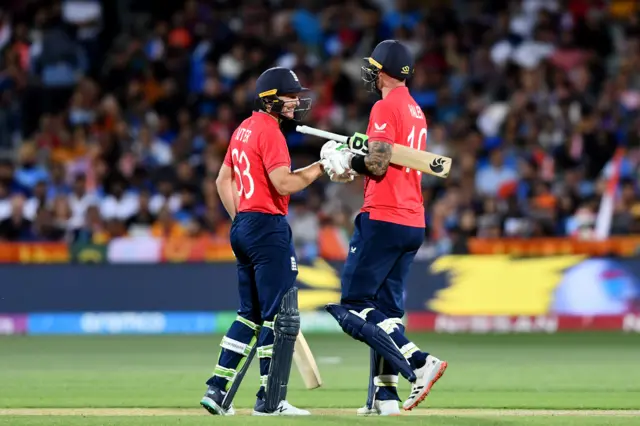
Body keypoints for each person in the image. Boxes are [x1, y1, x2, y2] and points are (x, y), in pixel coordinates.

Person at [320, 40, 448, 415]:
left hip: (384, 215)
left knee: (355, 305)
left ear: (386, 71)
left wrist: (347, 162)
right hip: (412, 219)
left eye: (375, 66)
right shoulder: (415, 109)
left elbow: (377, 164)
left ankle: (419, 361)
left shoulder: (384, 106)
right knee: (388, 313)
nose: (370, 72)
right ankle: (386, 397)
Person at [200, 67, 329, 416]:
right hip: (269, 227)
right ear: (271, 100)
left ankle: (217, 389)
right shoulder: (270, 133)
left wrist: (241, 218)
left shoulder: (244, 128)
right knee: (278, 318)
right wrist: (321, 167)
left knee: (249, 315)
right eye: (290, 96)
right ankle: (270, 401)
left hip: (245, 226)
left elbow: (221, 180)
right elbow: (284, 184)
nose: (296, 102)